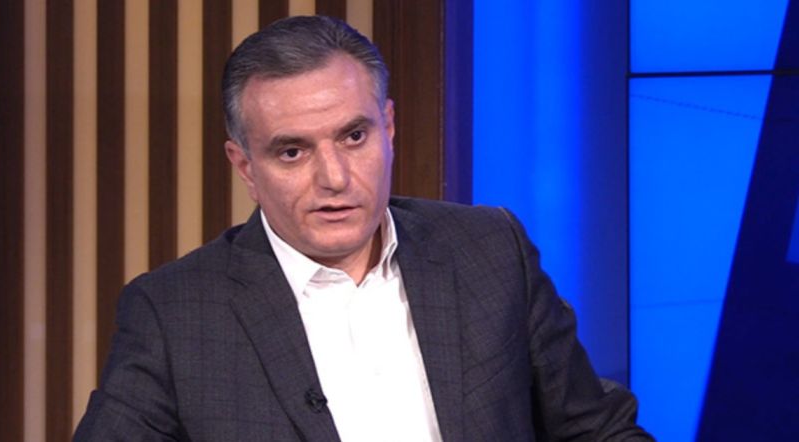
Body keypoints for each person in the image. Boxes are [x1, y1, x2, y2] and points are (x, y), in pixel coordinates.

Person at [74, 15, 652, 441]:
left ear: (389, 126)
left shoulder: (490, 252)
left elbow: (596, 430)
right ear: (245, 166)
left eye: (354, 137)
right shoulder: (175, 314)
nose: (334, 178)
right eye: (293, 151)